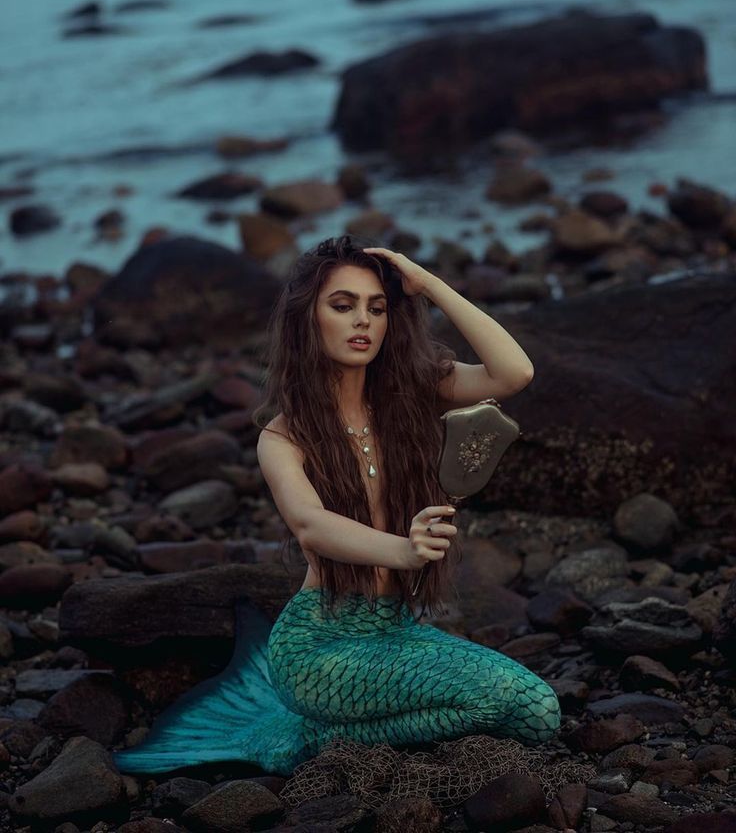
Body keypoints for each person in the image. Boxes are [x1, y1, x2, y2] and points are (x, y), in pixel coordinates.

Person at [112, 235, 560, 778]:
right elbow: (310, 525)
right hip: (318, 647)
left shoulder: (414, 395)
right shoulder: (283, 436)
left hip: (393, 630)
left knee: (539, 715)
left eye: (376, 308)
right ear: (309, 317)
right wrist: (405, 549)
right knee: (514, 707)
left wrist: (427, 284)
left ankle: (329, 734)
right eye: (342, 306)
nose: (362, 322)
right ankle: (307, 730)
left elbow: (515, 373)